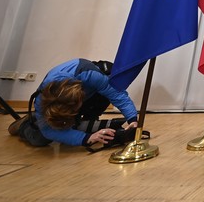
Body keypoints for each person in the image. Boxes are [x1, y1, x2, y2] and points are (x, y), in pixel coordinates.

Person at [8, 58, 140, 148]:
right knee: (40, 140)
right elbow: (48, 131)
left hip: (88, 91)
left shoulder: (90, 75)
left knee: (107, 89)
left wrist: (132, 118)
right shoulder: (41, 100)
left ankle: (85, 122)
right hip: (56, 107)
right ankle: (24, 125)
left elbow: (116, 94)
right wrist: (86, 138)